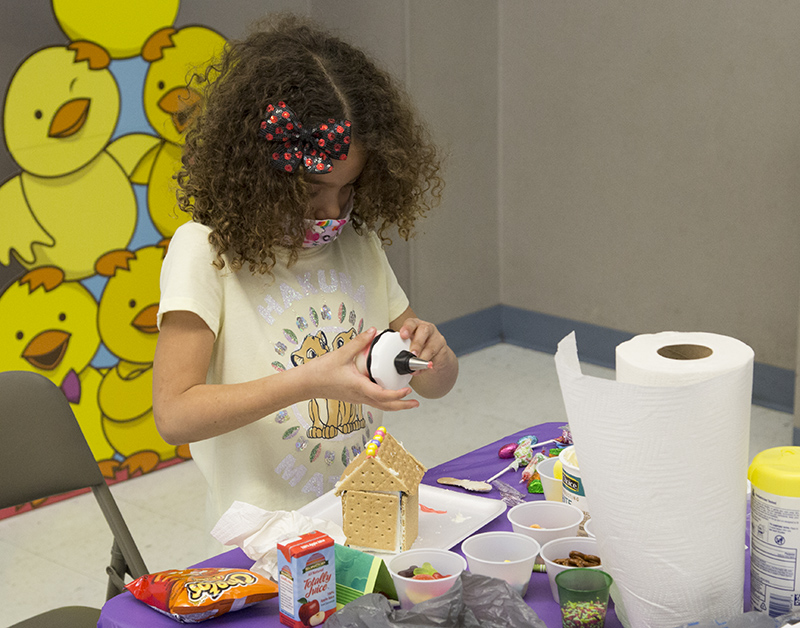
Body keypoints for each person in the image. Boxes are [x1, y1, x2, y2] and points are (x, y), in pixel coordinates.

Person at [152, 13, 458, 535]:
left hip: (363, 517)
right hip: (264, 538)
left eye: (347, 190)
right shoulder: (206, 253)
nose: (330, 213)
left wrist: (435, 355)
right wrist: (307, 381)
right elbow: (175, 414)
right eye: (311, 191)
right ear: (260, 174)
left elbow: (436, 384)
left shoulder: (357, 245)